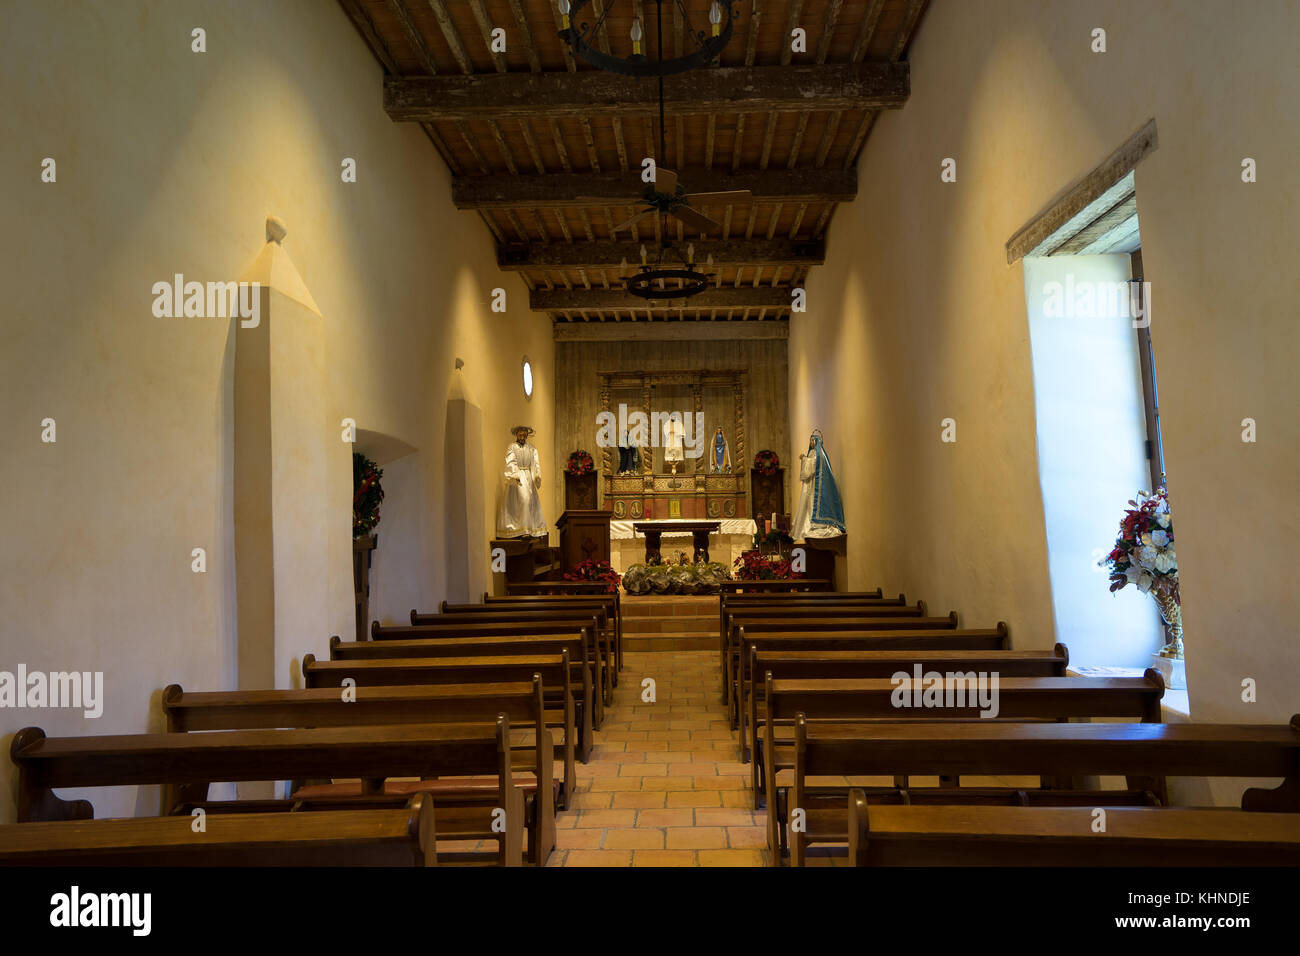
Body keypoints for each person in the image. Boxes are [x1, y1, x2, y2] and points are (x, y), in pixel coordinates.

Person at [791, 430, 845, 540]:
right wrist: (805, 459)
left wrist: (804, 459)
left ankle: (815, 525)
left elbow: (812, 466)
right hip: (810, 484)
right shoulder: (812, 453)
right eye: (810, 440)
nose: (811, 442)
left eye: (813, 440)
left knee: (812, 504)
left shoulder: (819, 454)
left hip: (815, 485)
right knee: (807, 506)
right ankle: (804, 528)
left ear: (817, 441)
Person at [498, 425, 545, 537]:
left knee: (530, 501)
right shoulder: (512, 447)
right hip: (518, 476)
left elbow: (535, 463)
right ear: (516, 435)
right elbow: (511, 461)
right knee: (522, 500)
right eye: (520, 434)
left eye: (524, 435)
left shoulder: (531, 448)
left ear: (527, 436)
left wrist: (537, 475)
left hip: (528, 476)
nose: (522, 437)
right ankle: (520, 529)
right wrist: (514, 474)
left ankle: (531, 528)